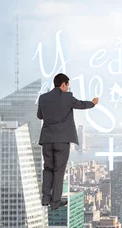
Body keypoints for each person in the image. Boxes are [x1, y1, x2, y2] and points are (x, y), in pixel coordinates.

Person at [37, 73, 98, 210]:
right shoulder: (67, 97)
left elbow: (39, 115)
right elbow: (81, 105)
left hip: (47, 140)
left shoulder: (43, 98)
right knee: (59, 171)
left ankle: (45, 198)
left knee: (48, 168)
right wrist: (93, 103)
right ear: (63, 84)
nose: (68, 88)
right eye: (67, 85)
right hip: (62, 140)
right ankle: (55, 201)